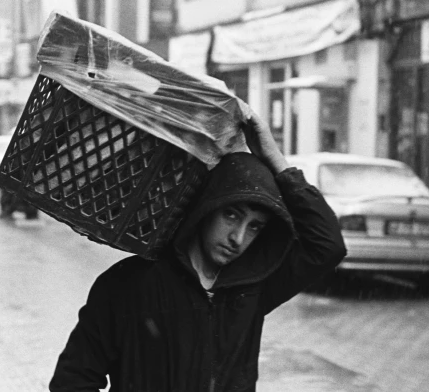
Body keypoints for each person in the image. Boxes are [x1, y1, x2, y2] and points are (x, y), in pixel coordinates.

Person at [49, 111, 347, 392]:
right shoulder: (127, 285)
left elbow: (327, 245)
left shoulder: (252, 287)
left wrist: (275, 159)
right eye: (231, 215)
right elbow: (72, 381)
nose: (238, 238)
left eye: (255, 227)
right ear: (207, 208)